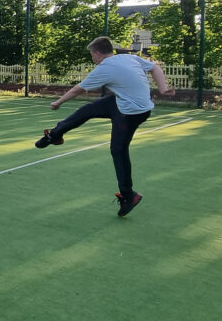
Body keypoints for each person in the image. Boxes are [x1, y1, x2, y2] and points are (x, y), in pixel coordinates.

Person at [35, 36, 175, 217]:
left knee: (118, 150)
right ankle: (54, 135)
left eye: (92, 55)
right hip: (127, 102)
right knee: (88, 109)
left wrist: (58, 102)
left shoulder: (105, 68)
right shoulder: (128, 57)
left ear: (98, 53)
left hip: (131, 112)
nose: (92, 59)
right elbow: (154, 67)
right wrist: (163, 89)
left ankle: (129, 195)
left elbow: (78, 89)